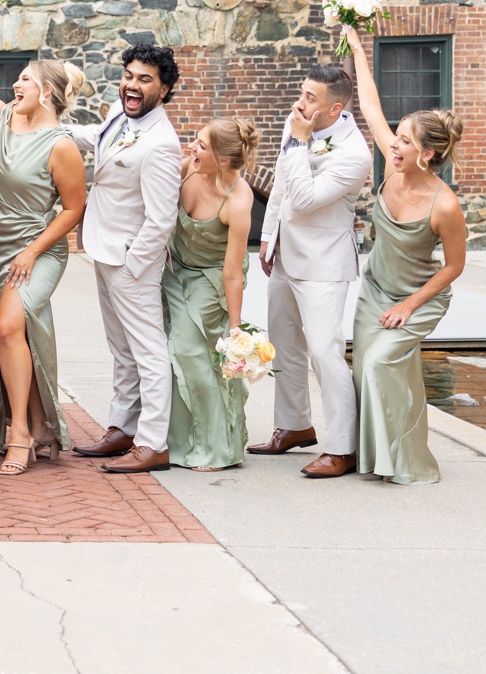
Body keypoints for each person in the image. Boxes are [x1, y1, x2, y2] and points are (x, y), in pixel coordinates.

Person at [0, 18, 88, 476]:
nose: (16, 84)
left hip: (37, 250)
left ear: (48, 93)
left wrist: (33, 251)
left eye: (26, 80)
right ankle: (41, 424)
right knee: (7, 335)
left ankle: (20, 434)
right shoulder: (5, 122)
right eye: (17, 79)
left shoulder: (61, 147)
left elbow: (74, 210)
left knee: (11, 327)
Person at [343, 28, 466, 484]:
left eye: (405, 141)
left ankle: (409, 463)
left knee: (379, 364)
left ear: (428, 153)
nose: (393, 145)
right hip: (376, 288)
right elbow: (370, 107)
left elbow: (454, 266)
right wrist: (357, 48)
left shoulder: (445, 204)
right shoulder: (393, 165)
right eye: (395, 137)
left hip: (418, 297)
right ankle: (377, 457)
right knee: (364, 371)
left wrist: (408, 305)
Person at [248, 64, 372, 479]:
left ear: (335, 108)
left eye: (310, 98)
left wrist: (299, 143)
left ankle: (342, 448)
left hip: (323, 264)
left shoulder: (355, 153)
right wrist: (268, 235)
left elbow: (303, 199)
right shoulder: (299, 123)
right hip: (286, 254)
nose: (301, 104)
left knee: (324, 351)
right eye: (302, 94)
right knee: (283, 344)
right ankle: (294, 424)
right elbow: (282, 185)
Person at [68, 44, 184, 474]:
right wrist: (53, 129)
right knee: (121, 349)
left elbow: (161, 219)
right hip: (103, 249)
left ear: (164, 89)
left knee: (148, 352)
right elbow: (97, 136)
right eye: (130, 76)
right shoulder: (121, 117)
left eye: (144, 80)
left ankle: (152, 443)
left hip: (130, 262)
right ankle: (122, 427)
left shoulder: (161, 144)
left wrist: (134, 266)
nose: (132, 86)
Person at [164, 119, 259, 471]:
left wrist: (236, 331)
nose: (192, 148)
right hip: (173, 270)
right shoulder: (189, 168)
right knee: (168, 350)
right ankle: (174, 441)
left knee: (189, 348)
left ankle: (214, 447)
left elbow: (232, 272)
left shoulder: (238, 200)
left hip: (212, 278)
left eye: (202, 145)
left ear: (222, 159)